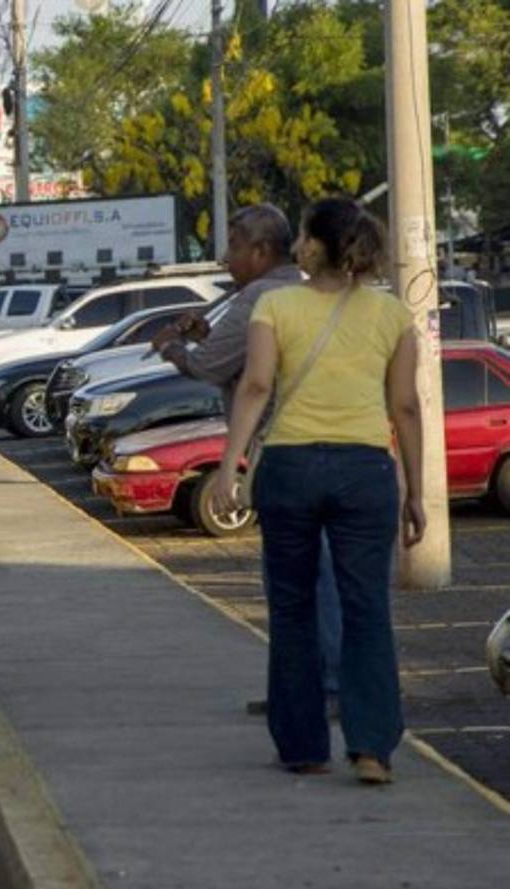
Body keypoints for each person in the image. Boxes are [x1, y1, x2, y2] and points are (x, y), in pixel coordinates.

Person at [213, 198, 426, 785]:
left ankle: (303, 746)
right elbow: (405, 407)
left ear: (316, 245)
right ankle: (372, 748)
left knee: (292, 607)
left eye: (304, 236)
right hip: (365, 472)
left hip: (290, 468)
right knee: (367, 609)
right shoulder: (392, 315)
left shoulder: (275, 306)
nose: (297, 246)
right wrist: (416, 492)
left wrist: (231, 466)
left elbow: (256, 386)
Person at [152, 205, 343, 712]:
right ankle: (316, 687)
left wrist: (172, 346)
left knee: (291, 580)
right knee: (322, 576)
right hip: (337, 448)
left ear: (261, 251)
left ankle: (312, 690)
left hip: (283, 449)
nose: (226, 257)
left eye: (234, 246)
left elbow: (227, 372)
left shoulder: (260, 297)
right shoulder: (308, 294)